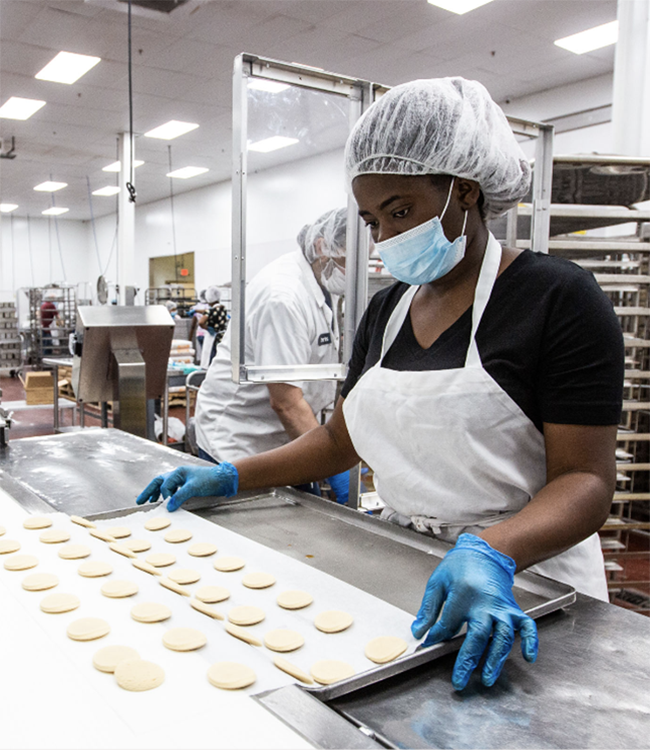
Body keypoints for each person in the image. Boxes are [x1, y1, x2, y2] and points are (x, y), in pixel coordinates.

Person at [137, 78, 623, 690]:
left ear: (464, 191)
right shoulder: (387, 311)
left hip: (527, 583)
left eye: (400, 211)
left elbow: (585, 480)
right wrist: (235, 475)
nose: (385, 237)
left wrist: (492, 550)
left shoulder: (558, 298)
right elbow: (341, 440)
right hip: (412, 565)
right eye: (371, 220)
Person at [193, 207, 350, 502]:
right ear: (322, 247)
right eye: (348, 260)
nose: (352, 270)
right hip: (240, 439)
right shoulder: (284, 297)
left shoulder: (321, 283)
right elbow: (286, 402)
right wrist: (332, 461)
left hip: (279, 437)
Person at [198, 286, 228, 369]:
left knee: (209, 355)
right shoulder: (223, 309)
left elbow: (201, 322)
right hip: (222, 336)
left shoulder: (210, 311)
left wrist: (208, 328)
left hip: (211, 336)